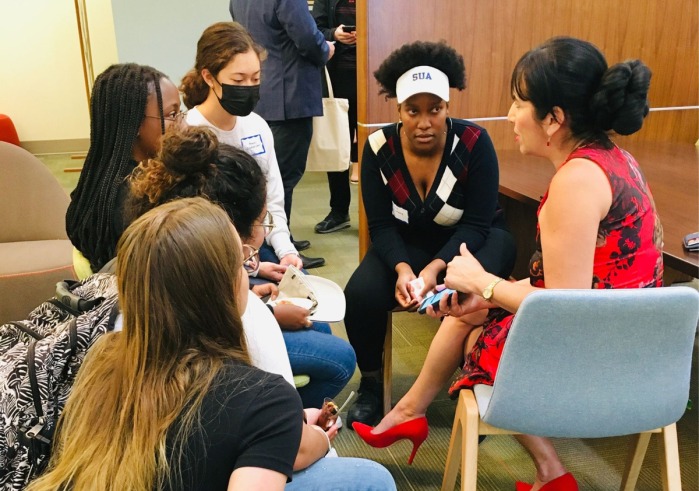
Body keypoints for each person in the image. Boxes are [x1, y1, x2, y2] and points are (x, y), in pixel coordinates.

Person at [355, 37, 663, 491]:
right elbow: (579, 287)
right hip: (633, 343)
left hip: (597, 357)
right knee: (470, 312)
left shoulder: (575, 183)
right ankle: (414, 415)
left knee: (475, 335)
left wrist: (485, 283)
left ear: (553, 119)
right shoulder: (610, 160)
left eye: (519, 102)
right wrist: (483, 291)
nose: (510, 115)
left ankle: (546, 468)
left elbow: (565, 307)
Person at [28, 197, 396, 491]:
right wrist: (301, 432)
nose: (249, 272)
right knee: (372, 480)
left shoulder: (103, 360)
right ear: (219, 288)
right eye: (242, 263)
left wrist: (291, 426)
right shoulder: (262, 395)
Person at [344, 41, 516, 428]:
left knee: (470, 295)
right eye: (413, 111)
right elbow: (382, 225)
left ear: (448, 108)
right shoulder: (377, 147)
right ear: (398, 110)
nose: (424, 122)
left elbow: (477, 222)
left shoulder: (474, 143)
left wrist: (438, 269)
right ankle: (371, 383)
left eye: (435, 110)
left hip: (476, 241)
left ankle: (476, 384)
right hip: (405, 244)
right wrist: (405, 269)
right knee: (359, 295)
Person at [126, 126, 356, 408]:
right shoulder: (242, 322)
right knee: (341, 359)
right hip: (231, 408)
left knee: (317, 325)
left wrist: (256, 279)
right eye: (262, 221)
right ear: (232, 233)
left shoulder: (171, 252)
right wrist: (269, 314)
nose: (264, 231)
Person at [181, 21, 324, 271]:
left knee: (301, 288)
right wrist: (250, 268)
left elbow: (273, 202)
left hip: (259, 246)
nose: (248, 87)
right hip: (209, 258)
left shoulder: (257, 126)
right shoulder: (189, 132)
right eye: (238, 79)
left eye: (255, 79)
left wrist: (286, 250)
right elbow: (189, 227)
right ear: (209, 77)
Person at [229, 0, 335, 261]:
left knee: (264, 175)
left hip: (264, 91)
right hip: (292, 95)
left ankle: (276, 240)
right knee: (283, 178)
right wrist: (327, 49)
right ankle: (280, 251)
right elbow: (308, 39)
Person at [66, 63, 182, 272]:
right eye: (172, 115)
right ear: (136, 124)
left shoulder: (100, 181)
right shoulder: (137, 201)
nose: (183, 124)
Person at [312, 0, 358, 234]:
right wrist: (335, 34)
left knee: (378, 146)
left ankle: (381, 214)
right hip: (338, 78)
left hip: (375, 77)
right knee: (337, 144)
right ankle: (339, 211)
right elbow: (315, 29)